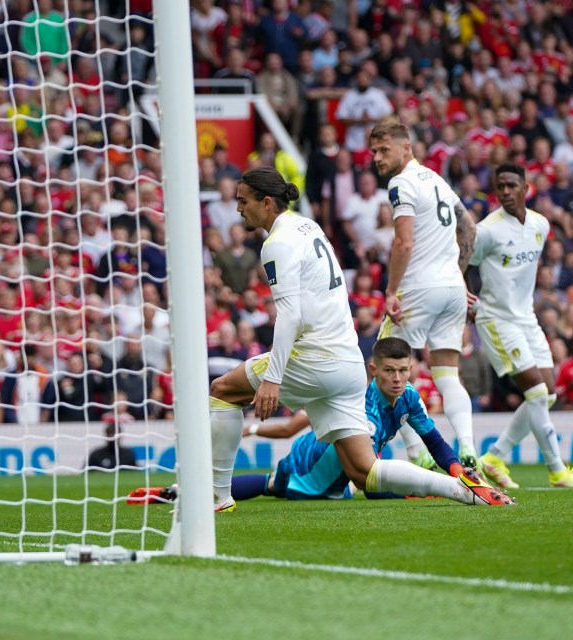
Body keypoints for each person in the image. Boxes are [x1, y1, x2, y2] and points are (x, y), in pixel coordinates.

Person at [207, 167, 512, 514]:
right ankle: (462, 490)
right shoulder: (308, 226)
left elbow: (290, 314)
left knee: (222, 391)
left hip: (314, 357)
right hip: (348, 363)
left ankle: (217, 499)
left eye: (243, 201)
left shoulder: (276, 243)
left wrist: (273, 379)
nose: (238, 209)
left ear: (265, 202)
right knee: (363, 471)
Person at [470, 164, 573, 489]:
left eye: (512, 185)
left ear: (526, 188)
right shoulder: (487, 230)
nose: (505, 191)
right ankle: (558, 471)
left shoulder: (540, 225)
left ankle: (494, 457)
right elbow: (459, 260)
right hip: (497, 319)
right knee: (538, 392)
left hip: (527, 318)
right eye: (499, 186)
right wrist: (464, 296)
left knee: (548, 395)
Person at [369, 118, 480, 468]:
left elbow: (403, 242)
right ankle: (468, 447)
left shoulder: (401, 184)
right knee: (447, 373)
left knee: (387, 367)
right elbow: (470, 229)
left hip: (418, 288)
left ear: (407, 148)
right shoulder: (437, 180)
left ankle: (418, 455)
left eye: (384, 149)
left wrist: (389, 291)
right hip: (450, 288)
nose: (377, 157)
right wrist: (458, 278)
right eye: (373, 151)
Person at [233, 338, 463, 502]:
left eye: (403, 371)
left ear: (411, 369)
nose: (397, 379)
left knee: (271, 484)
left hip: (313, 451)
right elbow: (371, 484)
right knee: (278, 486)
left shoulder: (410, 396)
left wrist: (459, 473)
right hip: (311, 471)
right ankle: (207, 495)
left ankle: (205, 494)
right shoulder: (367, 412)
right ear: (373, 369)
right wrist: (416, 491)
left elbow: (435, 442)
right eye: (389, 371)